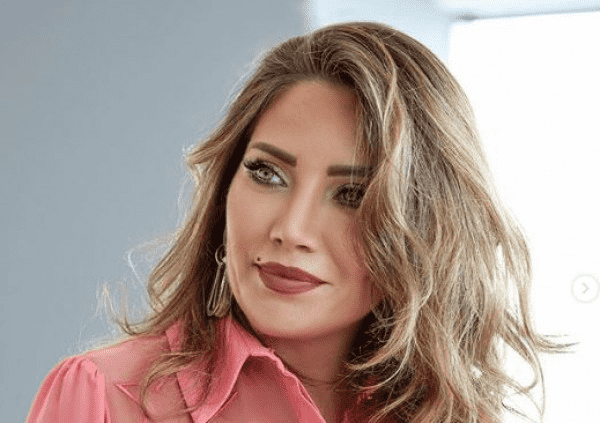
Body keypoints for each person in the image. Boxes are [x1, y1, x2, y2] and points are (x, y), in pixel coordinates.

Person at [26, 21, 574, 423]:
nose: (292, 229)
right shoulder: (102, 398)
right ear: (224, 188)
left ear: (426, 229)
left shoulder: (455, 414)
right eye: (267, 173)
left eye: (352, 195)